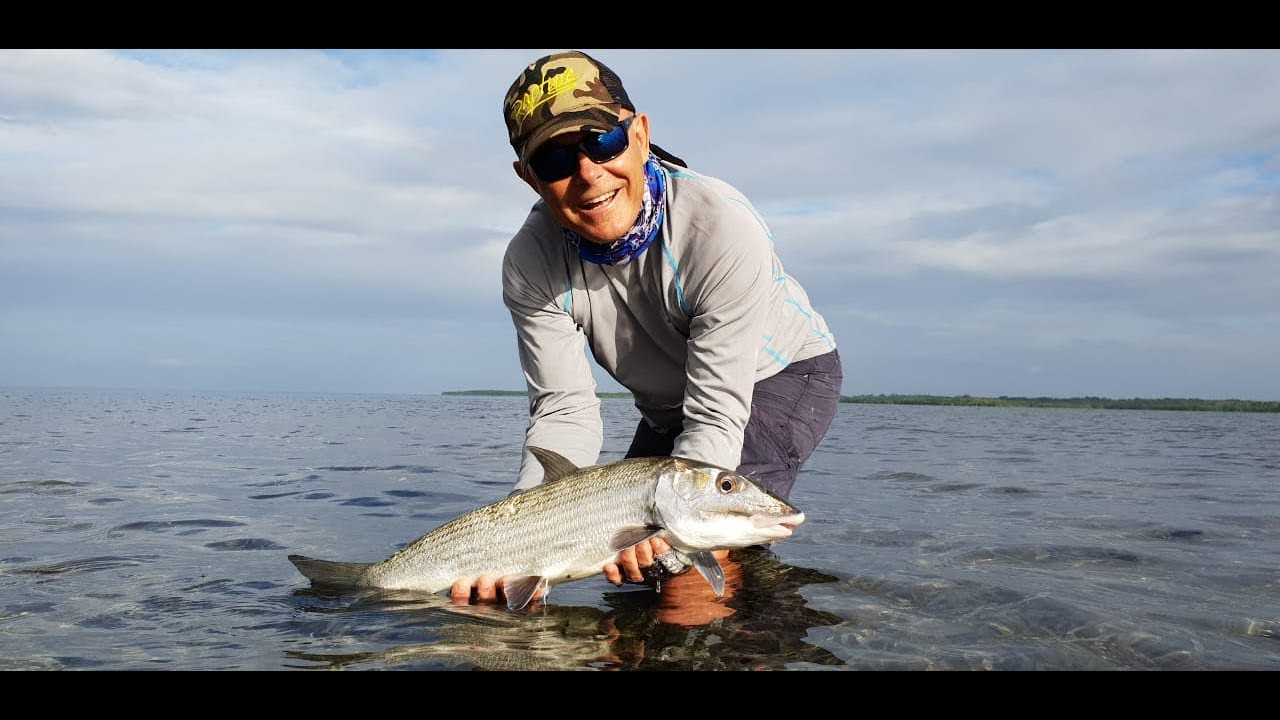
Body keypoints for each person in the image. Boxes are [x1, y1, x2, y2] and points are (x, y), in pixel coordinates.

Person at [450, 50, 842, 605]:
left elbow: (715, 416)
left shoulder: (718, 225)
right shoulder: (528, 263)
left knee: (681, 561)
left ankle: (723, 628)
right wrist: (518, 538)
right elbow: (564, 409)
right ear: (527, 177)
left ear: (639, 134)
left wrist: (673, 540)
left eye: (602, 142)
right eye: (556, 160)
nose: (588, 175)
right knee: (626, 588)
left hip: (775, 377)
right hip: (667, 404)